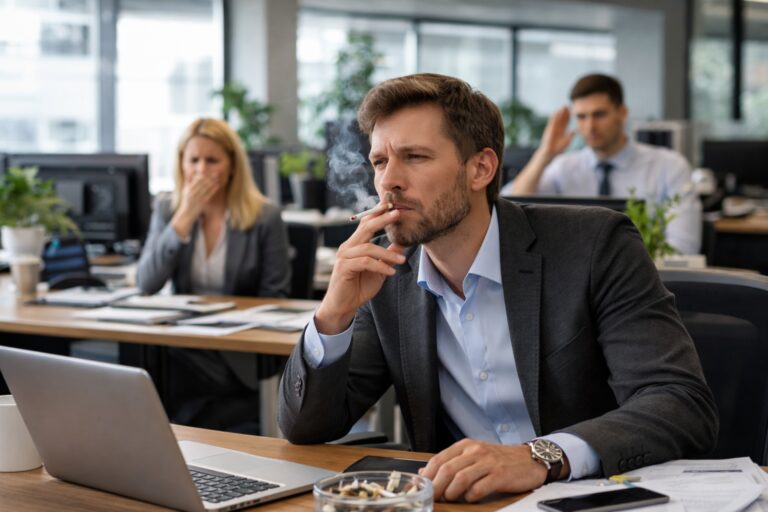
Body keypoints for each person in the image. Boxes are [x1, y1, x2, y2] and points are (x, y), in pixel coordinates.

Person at [278, 73, 717, 502]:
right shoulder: (389, 275)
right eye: (379, 161)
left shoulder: (594, 245)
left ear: (481, 168)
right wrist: (332, 316)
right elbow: (306, 428)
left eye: (415, 157)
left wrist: (541, 456)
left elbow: (679, 402)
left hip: (585, 496)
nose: (388, 181)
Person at [137, 117, 291, 432]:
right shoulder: (169, 210)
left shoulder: (264, 216)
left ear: (232, 165)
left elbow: (276, 296)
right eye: (193, 160)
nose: (201, 170)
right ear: (181, 164)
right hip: (185, 345)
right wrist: (184, 217)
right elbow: (146, 283)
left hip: (237, 350)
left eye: (212, 160)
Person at [501, 73, 702, 255]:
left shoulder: (669, 166)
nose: (590, 126)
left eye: (599, 114)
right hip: (575, 283)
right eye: (581, 117)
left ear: (622, 113)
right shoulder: (564, 168)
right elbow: (509, 212)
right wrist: (545, 154)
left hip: (645, 281)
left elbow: (683, 247)